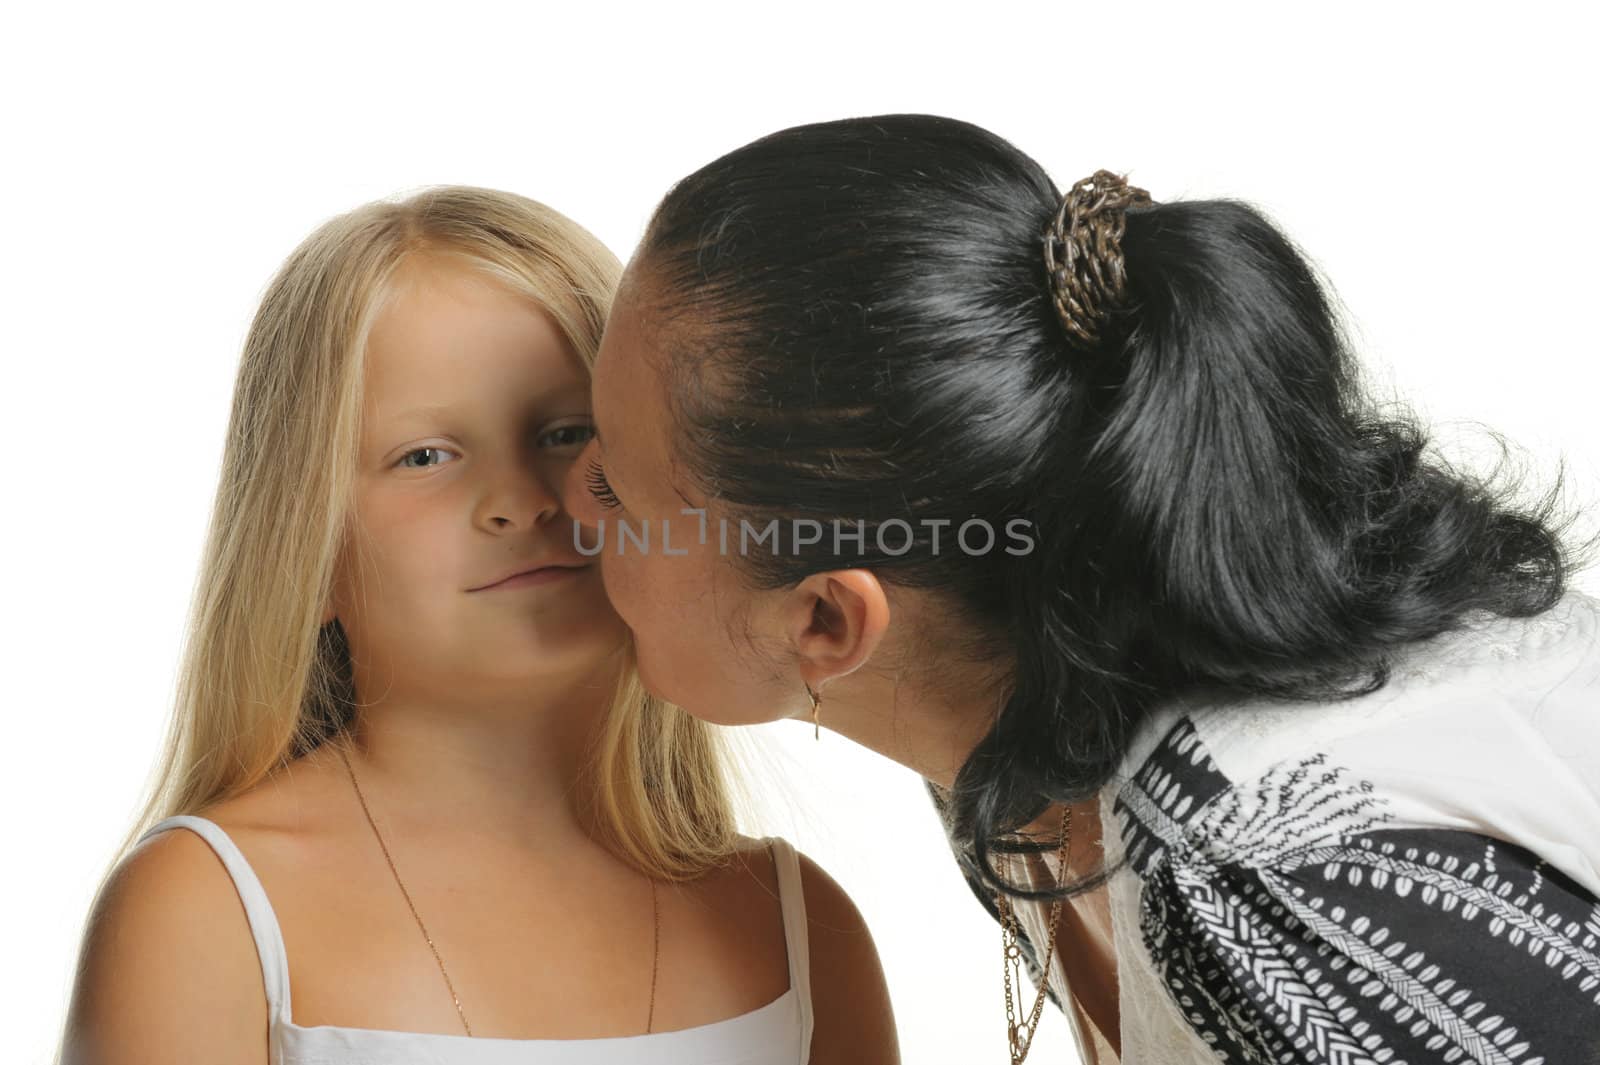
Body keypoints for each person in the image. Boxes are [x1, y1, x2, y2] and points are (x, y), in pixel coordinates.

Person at [563, 114, 1600, 1064]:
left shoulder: (1284, 891)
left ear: (828, 620)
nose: (565, 496)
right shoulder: (1027, 735)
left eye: (616, 481)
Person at [59, 187, 897, 1065]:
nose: (521, 500)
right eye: (425, 456)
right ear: (301, 546)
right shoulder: (203, 913)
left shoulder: (798, 927)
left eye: (570, 432)